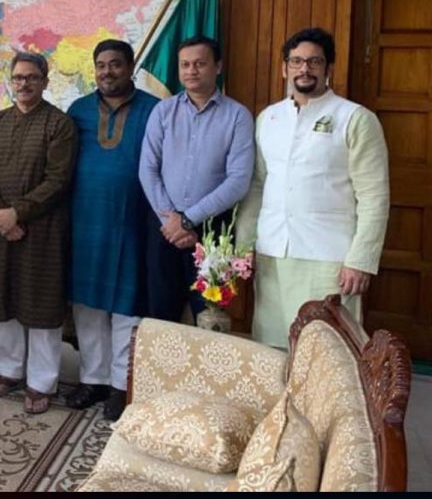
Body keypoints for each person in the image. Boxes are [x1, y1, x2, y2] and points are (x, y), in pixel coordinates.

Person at [239, 28, 389, 348]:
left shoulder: (355, 119)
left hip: (330, 259)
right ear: (285, 68)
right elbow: (257, 186)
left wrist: (361, 259)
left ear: (328, 68)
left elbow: (374, 196)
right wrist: (244, 246)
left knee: (328, 353)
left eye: (314, 62)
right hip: (272, 254)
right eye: (296, 61)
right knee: (273, 349)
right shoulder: (268, 118)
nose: (304, 69)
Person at [0, 52, 77, 415]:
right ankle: (7, 370)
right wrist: (1, 214)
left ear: (45, 82)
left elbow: (58, 179)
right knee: (2, 299)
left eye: (32, 77)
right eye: (18, 77)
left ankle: (41, 381)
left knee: (41, 303)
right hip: (1, 227)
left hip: (43, 228)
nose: (24, 84)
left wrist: (17, 213)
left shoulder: (59, 124)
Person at [66, 40, 159, 421]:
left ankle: (122, 385)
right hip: (84, 220)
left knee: (126, 306)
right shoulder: (78, 110)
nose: (107, 72)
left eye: (116, 64)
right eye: (101, 65)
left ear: (131, 66)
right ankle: (94, 379)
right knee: (87, 305)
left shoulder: (155, 109)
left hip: (134, 221)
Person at [138, 36, 254, 323]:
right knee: (161, 316)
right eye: (185, 64)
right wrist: (172, 222)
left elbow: (238, 180)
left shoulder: (237, 116)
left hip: (213, 232)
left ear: (218, 66)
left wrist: (188, 220)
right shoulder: (163, 111)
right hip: (164, 227)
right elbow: (147, 169)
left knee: (210, 318)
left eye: (200, 64)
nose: (191, 71)